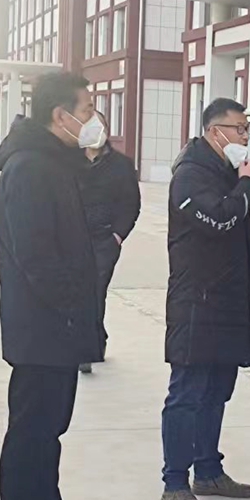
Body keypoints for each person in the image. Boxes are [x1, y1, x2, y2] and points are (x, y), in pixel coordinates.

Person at [0, 72, 106, 500]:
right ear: (60, 116)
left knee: (49, 431)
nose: (94, 119)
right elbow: (36, 256)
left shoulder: (56, 163)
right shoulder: (29, 168)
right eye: (87, 109)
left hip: (60, 326)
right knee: (30, 434)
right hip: (40, 327)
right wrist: (71, 306)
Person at [160, 98, 250, 500]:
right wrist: (248, 186)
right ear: (215, 131)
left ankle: (208, 471)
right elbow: (219, 219)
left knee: (218, 390)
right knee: (188, 392)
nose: (244, 136)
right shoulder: (190, 174)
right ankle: (174, 484)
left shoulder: (225, 171)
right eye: (239, 129)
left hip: (229, 298)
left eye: (247, 129)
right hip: (197, 300)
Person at [77, 110, 141, 374]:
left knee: (95, 289)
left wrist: (117, 235)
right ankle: (92, 338)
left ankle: (87, 347)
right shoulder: (68, 161)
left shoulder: (121, 165)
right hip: (73, 237)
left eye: (99, 124)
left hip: (104, 239)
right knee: (77, 290)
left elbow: (131, 203)